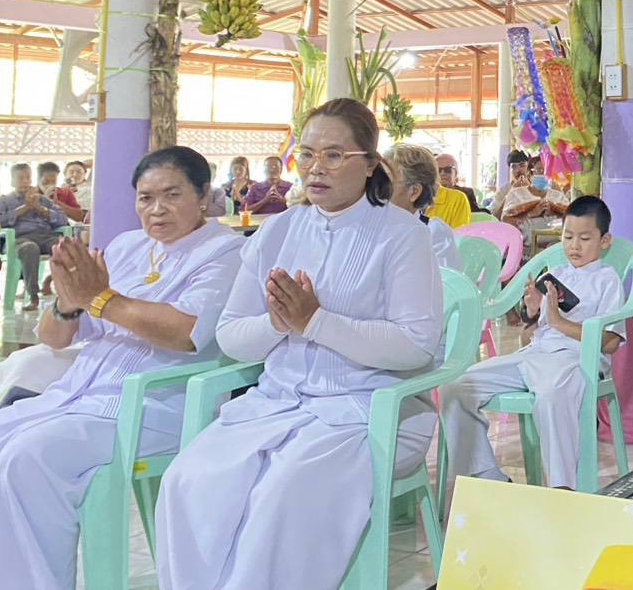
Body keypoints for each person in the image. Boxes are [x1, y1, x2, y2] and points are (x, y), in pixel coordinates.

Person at [155, 99, 443, 590]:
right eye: (306, 155)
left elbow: (416, 345)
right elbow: (232, 334)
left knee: (282, 498)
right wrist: (277, 323)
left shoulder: (401, 236)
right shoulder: (278, 231)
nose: (315, 168)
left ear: (370, 164)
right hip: (278, 404)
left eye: (334, 155)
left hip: (368, 408)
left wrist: (315, 321)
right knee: (190, 481)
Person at [0, 146, 241, 587]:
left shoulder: (225, 253)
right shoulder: (127, 246)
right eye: (145, 198)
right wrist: (69, 304)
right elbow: (53, 337)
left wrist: (102, 299)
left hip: (154, 408)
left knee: (25, 459)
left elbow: (186, 332)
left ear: (203, 194)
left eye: (171, 195)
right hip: (79, 396)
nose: (156, 210)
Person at [439, 195, 624, 492]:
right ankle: (486, 477)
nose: (574, 246)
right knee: (457, 385)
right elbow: (530, 337)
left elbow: (611, 342)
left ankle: (563, 488)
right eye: (568, 237)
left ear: (605, 241)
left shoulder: (606, 279)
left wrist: (560, 321)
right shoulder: (556, 274)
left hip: (574, 360)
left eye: (585, 238)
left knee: (552, 394)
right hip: (535, 355)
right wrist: (534, 312)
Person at [0, 162, 68, 310]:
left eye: (28, 178)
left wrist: (40, 209)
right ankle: (33, 295)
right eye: (20, 178)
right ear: (12, 181)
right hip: (18, 239)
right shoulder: (4, 200)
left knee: (65, 246)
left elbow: (63, 219)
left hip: (45, 236)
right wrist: (25, 208)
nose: (25, 181)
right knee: (30, 248)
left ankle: (64, 291)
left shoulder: (42, 200)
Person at [387, 144, 459, 271]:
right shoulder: (371, 227)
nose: (375, 189)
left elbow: (446, 284)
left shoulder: (434, 233)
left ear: (414, 192)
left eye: (386, 182)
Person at [428, 152, 473, 229]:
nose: (442, 173)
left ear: (456, 174)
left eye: (448, 170)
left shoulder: (460, 198)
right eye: (438, 170)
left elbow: (459, 235)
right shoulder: (411, 196)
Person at [489, 149, 533, 220]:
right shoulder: (503, 190)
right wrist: (511, 193)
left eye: (522, 165)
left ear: (528, 167)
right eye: (513, 167)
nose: (518, 170)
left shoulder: (536, 188)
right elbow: (494, 217)